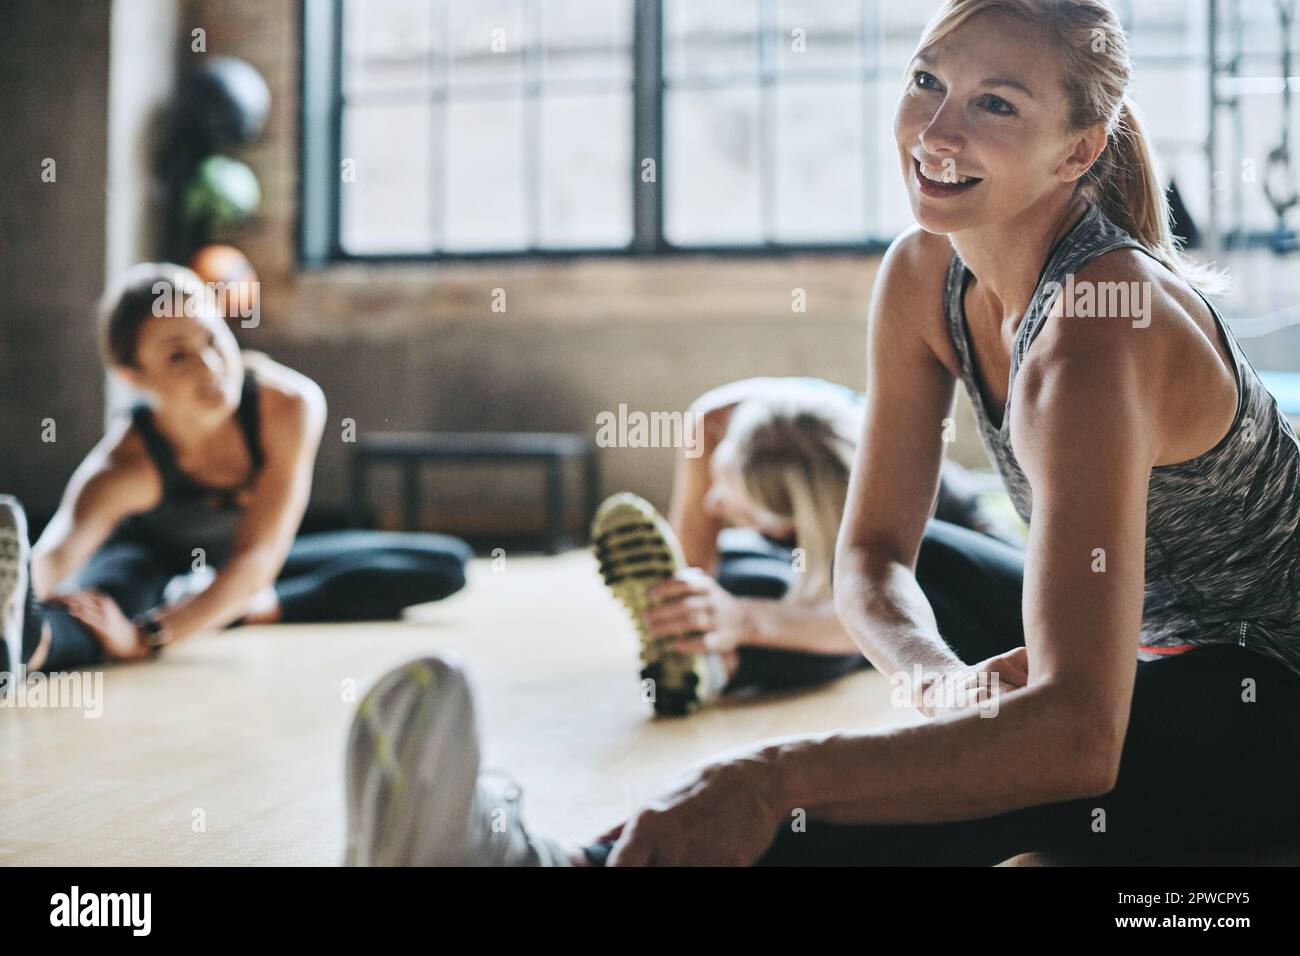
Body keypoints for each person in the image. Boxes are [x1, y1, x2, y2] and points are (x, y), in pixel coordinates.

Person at [342, 0, 1300, 866]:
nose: (935, 130)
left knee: (1010, 764)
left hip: (1272, 690)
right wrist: (939, 687)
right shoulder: (928, 273)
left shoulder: (1099, 330)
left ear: (1078, 151)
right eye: (928, 80)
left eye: (995, 105)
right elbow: (875, 553)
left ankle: (550, 867)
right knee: (939, 605)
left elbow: (1076, 741)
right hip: (1155, 645)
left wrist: (771, 777)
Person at [0, 263, 471, 679]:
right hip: (149, 564)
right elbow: (57, 555)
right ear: (135, 376)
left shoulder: (288, 405)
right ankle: (27, 647)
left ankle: (239, 607)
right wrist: (116, 626)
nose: (209, 365)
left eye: (211, 336)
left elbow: (257, 557)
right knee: (98, 610)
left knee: (443, 564)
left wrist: (155, 635)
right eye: (177, 355)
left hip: (246, 560)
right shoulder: (125, 463)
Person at [592, 377, 1027, 715]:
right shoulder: (720, 423)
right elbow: (698, 567)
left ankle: (729, 667)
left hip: (948, 589)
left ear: (794, 522)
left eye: (733, 501)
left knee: (843, 635)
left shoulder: (901, 501)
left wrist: (744, 620)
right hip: (819, 549)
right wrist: (697, 612)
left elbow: (876, 609)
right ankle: (709, 659)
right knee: (740, 579)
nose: (713, 503)